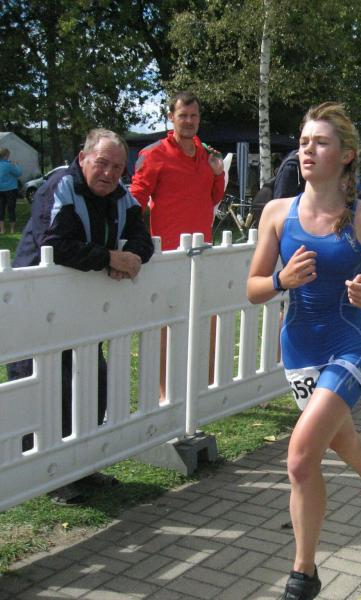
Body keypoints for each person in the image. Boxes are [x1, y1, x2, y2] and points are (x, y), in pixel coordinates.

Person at [246, 102, 361, 600]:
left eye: (320, 143)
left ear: (346, 155)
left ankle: (304, 575)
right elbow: (253, 288)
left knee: (301, 457)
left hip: (349, 344)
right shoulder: (277, 213)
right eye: (303, 142)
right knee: (341, 440)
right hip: (299, 347)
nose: (307, 150)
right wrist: (281, 279)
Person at [8, 128, 154, 503]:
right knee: (45, 386)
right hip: (36, 304)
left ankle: (84, 465)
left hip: (80, 307)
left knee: (92, 380)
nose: (109, 173)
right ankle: (46, 472)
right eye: (102, 163)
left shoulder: (121, 195)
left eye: (117, 167)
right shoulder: (60, 187)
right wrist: (109, 258)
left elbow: (142, 236)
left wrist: (132, 258)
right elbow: (54, 245)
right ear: (83, 157)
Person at [130, 91, 225, 394]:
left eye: (193, 115)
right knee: (165, 323)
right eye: (182, 115)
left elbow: (214, 197)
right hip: (168, 254)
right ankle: (164, 392)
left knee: (207, 317)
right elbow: (136, 199)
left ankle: (206, 388)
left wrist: (218, 174)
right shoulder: (154, 153)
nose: (188, 121)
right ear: (171, 117)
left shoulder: (207, 154)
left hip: (202, 251)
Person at [0, 147, 22, 234]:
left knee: (1, 209)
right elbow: (19, 173)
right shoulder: (9, 165)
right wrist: (16, 165)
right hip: (11, 189)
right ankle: (12, 230)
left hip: (0, 189)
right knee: (11, 208)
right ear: (6, 155)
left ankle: (2, 230)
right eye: (8, 155)